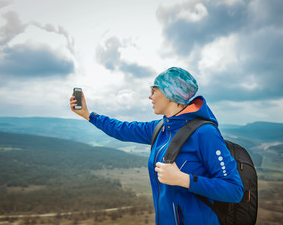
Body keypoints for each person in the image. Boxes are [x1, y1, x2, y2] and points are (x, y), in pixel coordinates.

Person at [69, 67, 244, 225]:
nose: (150, 96)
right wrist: (88, 114)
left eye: (154, 90)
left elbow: (234, 190)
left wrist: (184, 179)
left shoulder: (205, 133)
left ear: (170, 94)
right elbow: (121, 129)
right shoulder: (160, 127)